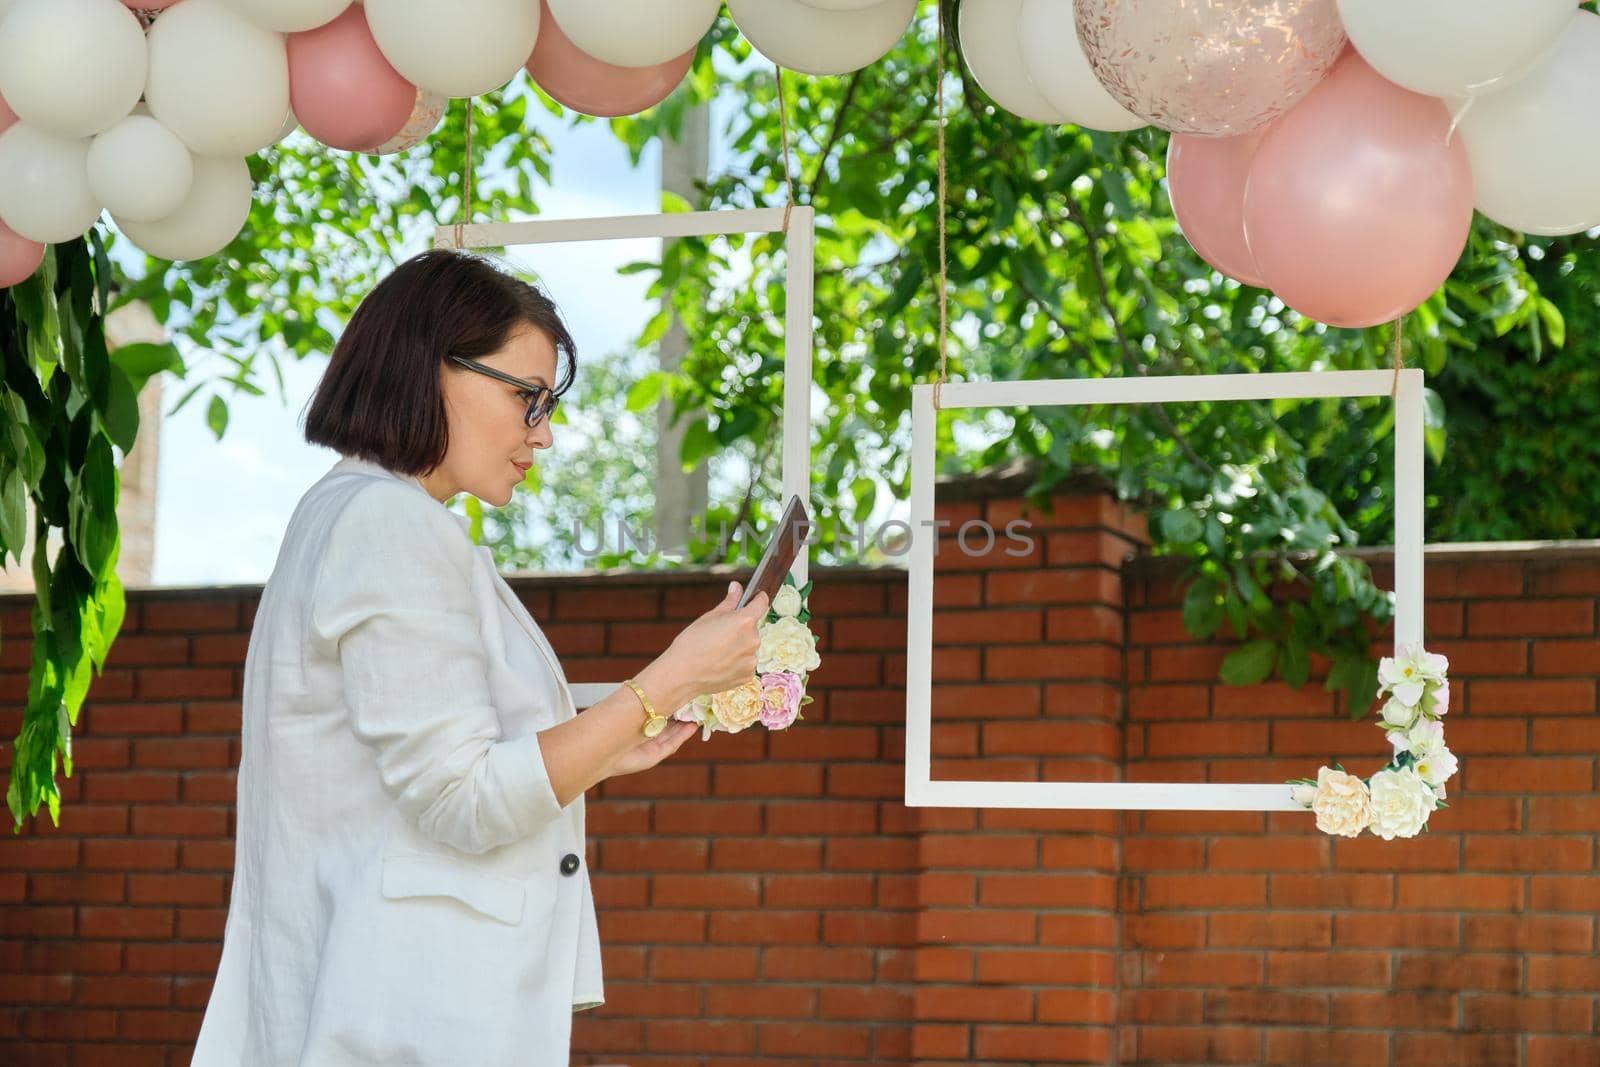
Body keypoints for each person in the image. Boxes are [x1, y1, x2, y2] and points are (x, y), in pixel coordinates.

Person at [192, 248, 768, 1065]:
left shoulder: (352, 511)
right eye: (527, 396)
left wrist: (606, 741)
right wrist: (666, 680)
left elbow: (435, 762)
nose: (545, 431)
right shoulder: (389, 525)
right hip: (401, 1015)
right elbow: (462, 797)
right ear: (432, 369)